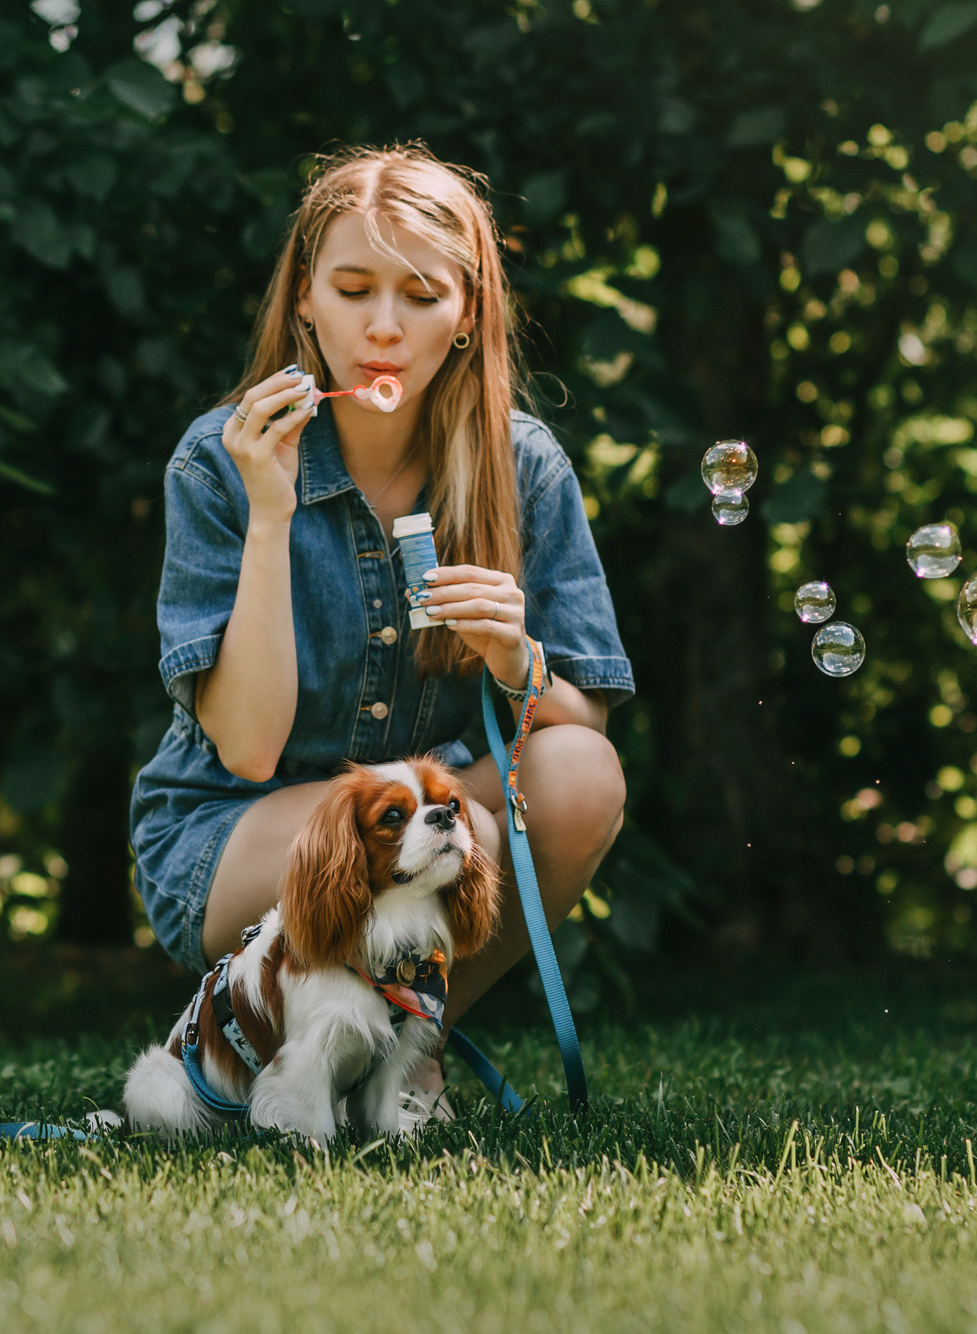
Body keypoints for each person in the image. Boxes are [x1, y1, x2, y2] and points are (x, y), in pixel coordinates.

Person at [128, 143, 633, 1114]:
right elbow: (247, 743)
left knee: (576, 772)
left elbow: (584, 725)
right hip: (232, 836)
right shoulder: (217, 460)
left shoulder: (521, 469)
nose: (383, 328)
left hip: (423, 826)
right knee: (464, 820)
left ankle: (404, 1054)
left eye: (419, 295)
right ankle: (295, 1044)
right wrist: (270, 513)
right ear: (304, 300)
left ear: (467, 313)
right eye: (353, 289)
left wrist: (513, 658)